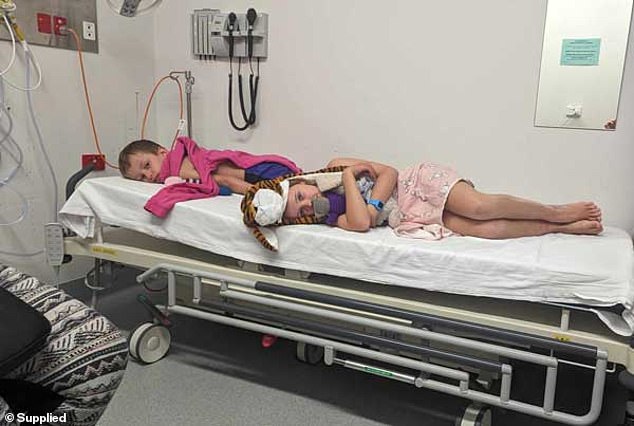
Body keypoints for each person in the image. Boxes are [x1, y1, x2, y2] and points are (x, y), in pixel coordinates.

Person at [281, 158, 603, 240]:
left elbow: (390, 173)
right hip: (407, 215)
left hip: (415, 183)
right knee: (477, 229)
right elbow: (362, 222)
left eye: (300, 196)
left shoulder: (335, 163)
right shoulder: (331, 217)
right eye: (302, 211)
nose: (308, 203)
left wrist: (365, 197)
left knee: (478, 208)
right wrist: (351, 179)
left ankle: (556, 212)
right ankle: (557, 228)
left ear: (303, 181)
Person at [118, 138, 301, 195]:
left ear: (163, 152)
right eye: (141, 177)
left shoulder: (179, 167)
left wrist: (260, 195)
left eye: (147, 165)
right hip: (261, 170)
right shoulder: (175, 170)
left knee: (296, 193)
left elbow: (225, 180)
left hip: (260, 173)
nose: (148, 175)